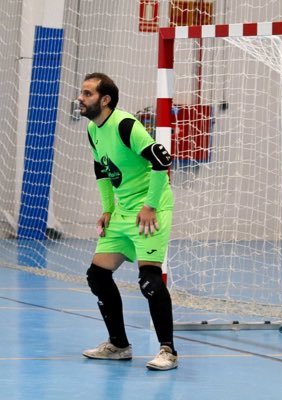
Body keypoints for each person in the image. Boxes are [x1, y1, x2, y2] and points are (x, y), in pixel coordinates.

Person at [77, 72, 177, 371]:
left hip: (151, 209)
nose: (80, 98)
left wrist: (149, 206)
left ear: (104, 99)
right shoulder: (94, 130)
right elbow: (102, 170)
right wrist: (108, 208)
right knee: (97, 275)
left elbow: (162, 160)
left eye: (87, 94)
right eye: (81, 93)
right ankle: (119, 345)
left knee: (149, 280)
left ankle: (168, 351)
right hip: (123, 213)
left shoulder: (125, 124)